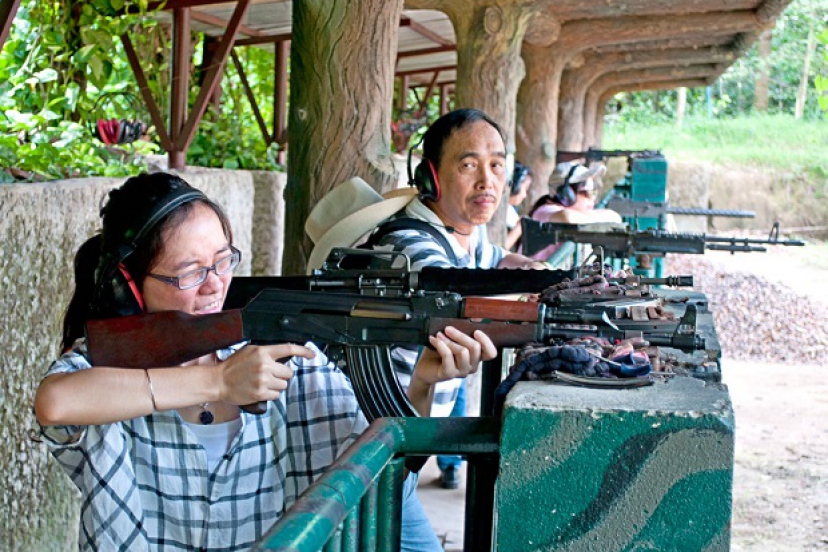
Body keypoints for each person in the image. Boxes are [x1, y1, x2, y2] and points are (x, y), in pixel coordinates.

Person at [34, 172, 495, 551]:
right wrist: (218, 382)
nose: (215, 284)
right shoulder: (114, 363)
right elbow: (55, 401)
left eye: (223, 260)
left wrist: (422, 383)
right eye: (190, 272)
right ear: (130, 286)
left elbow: (376, 466)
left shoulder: (280, 353)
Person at [356, 108, 550, 489]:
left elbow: (492, 258)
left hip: (400, 442)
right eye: (468, 165)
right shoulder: (408, 245)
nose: (487, 181)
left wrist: (530, 267)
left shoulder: (461, 232)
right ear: (431, 176)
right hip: (360, 455)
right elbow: (453, 293)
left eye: (496, 165)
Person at [525, 163, 622, 261]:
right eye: (586, 192)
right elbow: (568, 218)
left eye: (593, 192)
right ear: (566, 194)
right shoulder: (545, 210)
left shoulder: (579, 214)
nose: (592, 198)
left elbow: (615, 217)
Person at [504, 161, 533, 250]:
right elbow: (500, 249)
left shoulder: (511, 210)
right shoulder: (495, 211)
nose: (524, 195)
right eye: (524, 188)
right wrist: (519, 227)